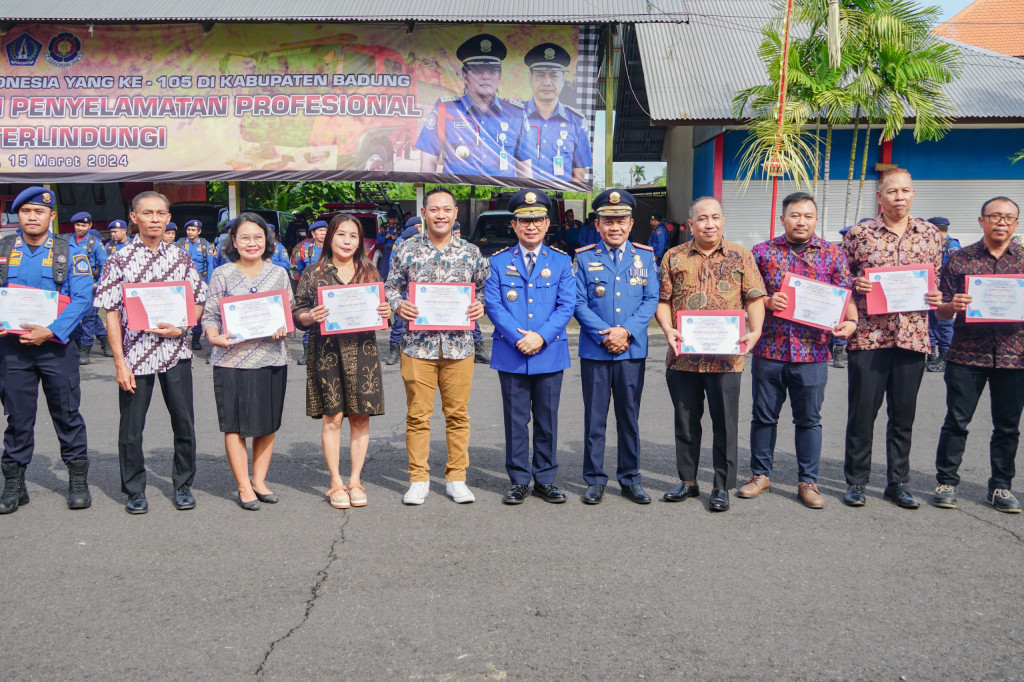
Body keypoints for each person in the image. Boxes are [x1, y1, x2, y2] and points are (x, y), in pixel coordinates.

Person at [742, 192, 858, 509]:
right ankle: (760, 475)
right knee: (763, 418)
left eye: (807, 215)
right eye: (795, 215)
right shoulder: (762, 253)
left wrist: (851, 324)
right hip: (770, 350)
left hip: (813, 354)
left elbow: (846, 299)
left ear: (815, 219)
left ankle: (808, 482)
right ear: (783, 219)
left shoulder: (833, 255)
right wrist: (766, 301)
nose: (801, 221)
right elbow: (747, 296)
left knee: (809, 420)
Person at [94, 191, 208, 514]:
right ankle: (134, 489)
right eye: (148, 213)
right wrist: (119, 362)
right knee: (131, 429)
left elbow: (199, 298)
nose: (155, 219)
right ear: (134, 217)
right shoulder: (119, 259)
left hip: (175, 353)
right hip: (136, 356)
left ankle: (183, 484)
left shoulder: (182, 258)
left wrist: (185, 326)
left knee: (184, 423)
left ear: (168, 218)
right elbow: (111, 312)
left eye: (161, 213)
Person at [840, 169, 943, 509]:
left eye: (906, 191)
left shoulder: (930, 234)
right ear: (880, 197)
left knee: (903, 416)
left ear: (912, 194)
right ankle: (856, 481)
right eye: (893, 191)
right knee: (862, 413)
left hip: (912, 337)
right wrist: (856, 283)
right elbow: (842, 280)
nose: (900, 197)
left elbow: (936, 282)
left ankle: (897, 483)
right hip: (870, 337)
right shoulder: (858, 234)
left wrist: (935, 296)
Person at [655, 196, 766, 512]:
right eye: (702, 218)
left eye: (715, 217)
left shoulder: (740, 256)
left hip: (727, 357)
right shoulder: (674, 257)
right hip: (683, 356)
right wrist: (667, 328)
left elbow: (755, 297)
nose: (709, 223)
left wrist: (755, 331)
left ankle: (722, 486)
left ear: (723, 221)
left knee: (725, 423)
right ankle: (688, 481)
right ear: (691, 224)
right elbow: (663, 300)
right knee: (686, 422)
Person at [385, 186, 489, 505]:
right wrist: (398, 304)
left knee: (457, 414)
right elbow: (391, 287)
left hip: (459, 347)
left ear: (456, 213)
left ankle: (456, 477)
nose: (440, 215)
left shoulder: (471, 253)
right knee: (418, 415)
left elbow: (484, 291)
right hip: (418, 347)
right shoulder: (405, 249)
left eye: (447, 209)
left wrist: (480, 306)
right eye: (434, 209)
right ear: (424, 214)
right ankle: (419, 478)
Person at [0, 187, 94, 514]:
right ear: (19, 216)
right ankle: (14, 485)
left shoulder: (70, 252)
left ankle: (77, 481)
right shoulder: (3, 249)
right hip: (12, 349)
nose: (31, 217)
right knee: (18, 417)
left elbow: (83, 298)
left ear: (51, 216)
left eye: (38, 212)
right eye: (25, 211)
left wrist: (51, 331)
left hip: (56, 347)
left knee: (67, 414)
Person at [932, 197, 1024, 513]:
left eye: (1008, 217)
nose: (1001, 222)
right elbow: (940, 312)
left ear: (1016, 223)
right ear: (981, 221)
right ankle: (946, 482)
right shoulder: (960, 259)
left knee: (1008, 426)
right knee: (957, 421)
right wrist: (952, 306)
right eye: (994, 216)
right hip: (966, 355)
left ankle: (1000, 487)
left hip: (1016, 357)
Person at [484, 189, 574, 504]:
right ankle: (519, 480)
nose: (531, 226)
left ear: (547, 223)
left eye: (537, 220)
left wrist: (541, 337)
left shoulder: (562, 262)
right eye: (524, 221)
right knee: (516, 420)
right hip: (512, 352)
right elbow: (492, 305)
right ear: (514, 225)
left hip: (549, 352)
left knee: (547, 419)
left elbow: (566, 306)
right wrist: (517, 337)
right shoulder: (497, 262)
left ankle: (546, 480)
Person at [294, 214, 388, 509]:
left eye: (353, 236)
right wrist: (310, 317)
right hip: (326, 352)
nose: (347, 242)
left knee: (360, 417)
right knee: (332, 417)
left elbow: (383, 312)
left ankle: (356, 480)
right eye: (341, 235)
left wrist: (387, 310)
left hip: (363, 352)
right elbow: (299, 312)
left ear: (360, 242)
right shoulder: (313, 272)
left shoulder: (369, 271)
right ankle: (335, 482)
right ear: (329, 237)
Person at [573, 188, 659, 505]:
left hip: (631, 350)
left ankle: (630, 478)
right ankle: (594, 479)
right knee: (595, 419)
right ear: (598, 224)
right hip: (596, 350)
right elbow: (578, 304)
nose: (614, 227)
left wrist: (626, 331)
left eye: (620, 220)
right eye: (607, 220)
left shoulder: (646, 256)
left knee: (628, 418)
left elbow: (651, 299)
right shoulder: (583, 258)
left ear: (630, 223)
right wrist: (606, 333)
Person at [202, 213, 292, 511]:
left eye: (258, 237)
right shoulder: (222, 274)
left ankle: (259, 481)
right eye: (245, 238)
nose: (252, 243)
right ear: (234, 242)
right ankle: (243, 486)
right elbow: (210, 315)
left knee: (267, 425)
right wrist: (214, 336)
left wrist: (284, 327)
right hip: (232, 359)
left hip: (270, 358)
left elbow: (287, 314)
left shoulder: (278, 273)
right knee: (234, 425)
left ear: (267, 241)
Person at [416, 34, 535, 179]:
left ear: (499, 76)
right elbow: (428, 162)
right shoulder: (445, 109)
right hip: (456, 196)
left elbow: (525, 170)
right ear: (465, 76)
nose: (486, 76)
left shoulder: (516, 113)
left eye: (492, 70)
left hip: (502, 198)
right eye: (478, 69)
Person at [522, 42, 592, 184]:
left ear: (563, 79)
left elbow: (578, 173)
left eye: (554, 75)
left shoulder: (577, 122)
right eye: (540, 75)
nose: (547, 82)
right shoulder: (514, 116)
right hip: (521, 197)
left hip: (557, 200)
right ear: (530, 78)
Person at [67, 211, 111, 364]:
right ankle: (105, 342)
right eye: (78, 225)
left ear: (90, 225)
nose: (80, 228)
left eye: (84, 225)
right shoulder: (67, 240)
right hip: (71, 285)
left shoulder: (94, 243)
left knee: (88, 317)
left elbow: (105, 265)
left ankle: (85, 351)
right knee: (77, 315)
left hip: (89, 285)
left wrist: (98, 283)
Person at [385, 217, 423, 366]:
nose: (420, 229)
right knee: (399, 320)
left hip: (420, 290)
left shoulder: (425, 244)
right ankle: (394, 350)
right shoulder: (400, 245)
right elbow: (392, 267)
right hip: (403, 287)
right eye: (417, 227)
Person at [925, 216, 960, 372]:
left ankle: (945, 357)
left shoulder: (952, 246)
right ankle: (933, 354)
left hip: (946, 291)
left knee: (944, 324)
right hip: (932, 290)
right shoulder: (933, 244)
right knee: (931, 322)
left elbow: (954, 271)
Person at [452, 221, 489, 363]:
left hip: (465, 297)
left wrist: (480, 302)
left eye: (458, 232)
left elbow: (482, 282)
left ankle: (479, 349)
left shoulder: (469, 250)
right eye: (454, 232)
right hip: (444, 298)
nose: (457, 235)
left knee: (473, 321)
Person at [178, 219, 216, 351]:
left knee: (199, 308)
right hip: (184, 281)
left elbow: (211, 264)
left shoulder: (205, 245)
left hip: (201, 281)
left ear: (199, 231)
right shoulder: (181, 243)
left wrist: (209, 282)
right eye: (188, 230)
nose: (190, 232)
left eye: (193, 230)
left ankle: (195, 339)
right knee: (182, 309)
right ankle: (181, 336)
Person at [293, 220, 327, 365]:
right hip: (311, 289)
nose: (323, 234)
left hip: (328, 289)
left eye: (325, 231)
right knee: (309, 319)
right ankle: (307, 353)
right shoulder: (305, 248)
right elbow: (298, 267)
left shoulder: (332, 247)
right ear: (313, 233)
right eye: (320, 231)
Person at [377, 209, 402, 282]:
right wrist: (385, 237)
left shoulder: (399, 226)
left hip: (397, 251)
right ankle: (382, 287)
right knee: (383, 270)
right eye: (391, 219)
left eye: (394, 219)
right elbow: (378, 239)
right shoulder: (383, 226)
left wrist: (397, 238)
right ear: (388, 218)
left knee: (396, 269)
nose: (392, 221)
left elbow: (404, 238)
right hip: (387, 250)